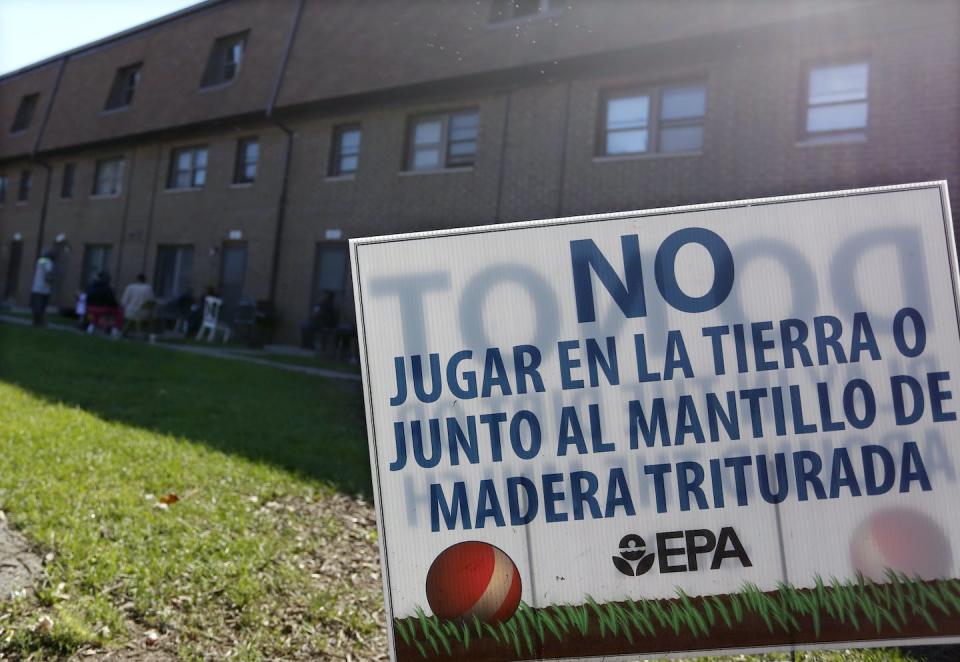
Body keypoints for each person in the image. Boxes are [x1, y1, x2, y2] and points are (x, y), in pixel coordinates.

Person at [30, 250, 55, 326]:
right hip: (44, 289)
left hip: (36, 288)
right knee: (42, 307)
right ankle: (41, 322)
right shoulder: (49, 262)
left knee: (36, 307)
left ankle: (35, 322)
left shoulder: (39, 261)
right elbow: (48, 274)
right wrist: (51, 280)